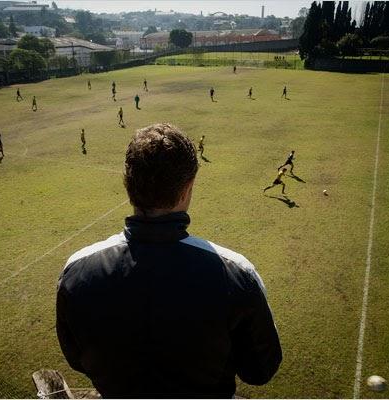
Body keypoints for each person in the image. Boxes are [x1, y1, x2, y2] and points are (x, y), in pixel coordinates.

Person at [56, 123, 282, 398]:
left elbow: (77, 359)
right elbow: (260, 371)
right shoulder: (238, 274)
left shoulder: (76, 272)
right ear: (187, 189)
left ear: (127, 184)